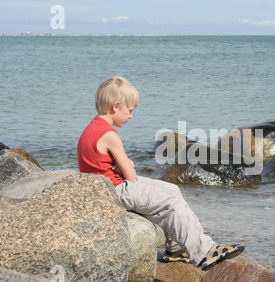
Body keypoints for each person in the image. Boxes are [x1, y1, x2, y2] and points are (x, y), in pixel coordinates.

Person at [77, 76, 245, 271]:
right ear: (116, 106)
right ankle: (203, 252)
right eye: (130, 111)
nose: (131, 116)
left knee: (172, 189)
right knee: (172, 204)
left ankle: (175, 248)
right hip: (117, 190)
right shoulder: (109, 134)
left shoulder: (92, 128)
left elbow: (100, 164)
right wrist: (128, 163)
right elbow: (130, 176)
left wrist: (120, 166)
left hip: (108, 187)